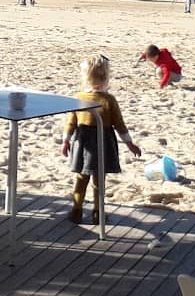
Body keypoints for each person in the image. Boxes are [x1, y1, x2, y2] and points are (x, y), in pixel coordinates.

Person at [59, 55, 141, 225]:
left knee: (81, 178)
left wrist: (66, 140)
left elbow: (71, 122)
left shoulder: (79, 96)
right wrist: (129, 143)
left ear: (85, 77)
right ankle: (98, 212)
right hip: (102, 142)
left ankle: (77, 210)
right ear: (106, 77)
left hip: (82, 143)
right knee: (98, 180)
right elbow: (119, 124)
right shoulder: (108, 100)